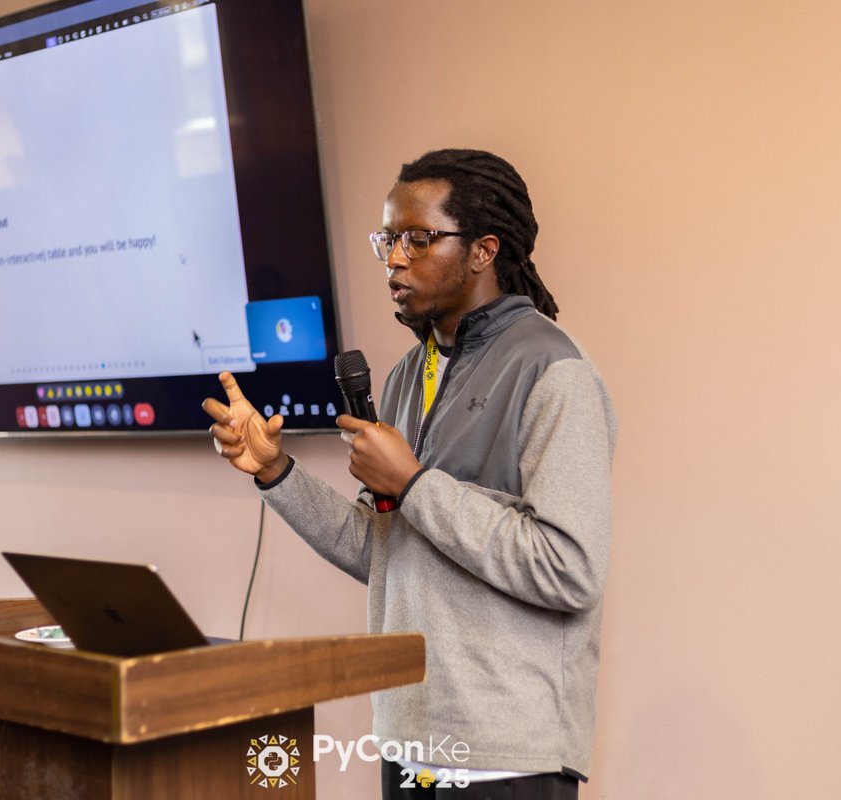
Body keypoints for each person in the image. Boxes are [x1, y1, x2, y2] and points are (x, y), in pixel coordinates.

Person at [203, 149, 616, 799]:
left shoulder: (553, 373)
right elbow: (386, 552)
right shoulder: (405, 376)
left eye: (417, 239)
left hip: (504, 754)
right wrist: (276, 472)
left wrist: (417, 483)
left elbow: (567, 568)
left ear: (483, 249)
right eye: (388, 240)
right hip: (410, 735)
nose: (395, 259)